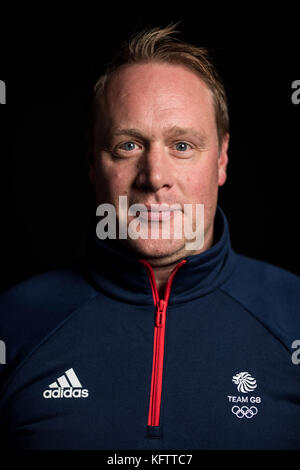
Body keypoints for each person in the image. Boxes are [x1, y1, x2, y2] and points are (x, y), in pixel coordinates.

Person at [1, 23, 300, 451]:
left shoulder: (293, 318)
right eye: (127, 145)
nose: (154, 177)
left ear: (222, 160)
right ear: (92, 161)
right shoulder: (13, 325)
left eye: (182, 146)